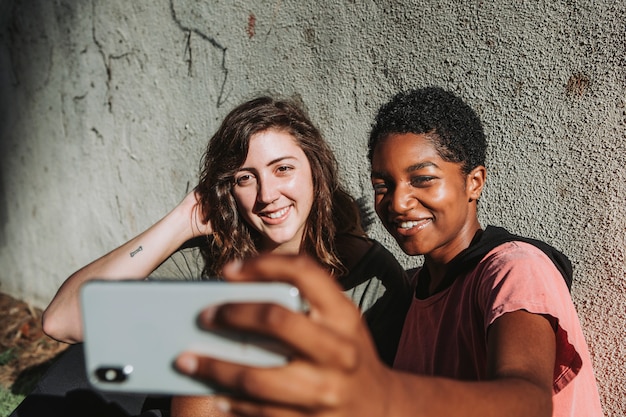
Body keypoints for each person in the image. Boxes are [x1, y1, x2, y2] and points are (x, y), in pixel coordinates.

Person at [174, 87, 604, 417]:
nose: (398, 202)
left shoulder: (513, 270)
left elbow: (527, 402)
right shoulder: (414, 289)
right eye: (384, 185)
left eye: (422, 179)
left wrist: (381, 391)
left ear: (474, 182)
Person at [13, 96, 409, 417]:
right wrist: (181, 221)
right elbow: (63, 319)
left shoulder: (368, 278)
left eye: (283, 169)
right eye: (245, 177)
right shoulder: (216, 254)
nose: (267, 194)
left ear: (315, 172)